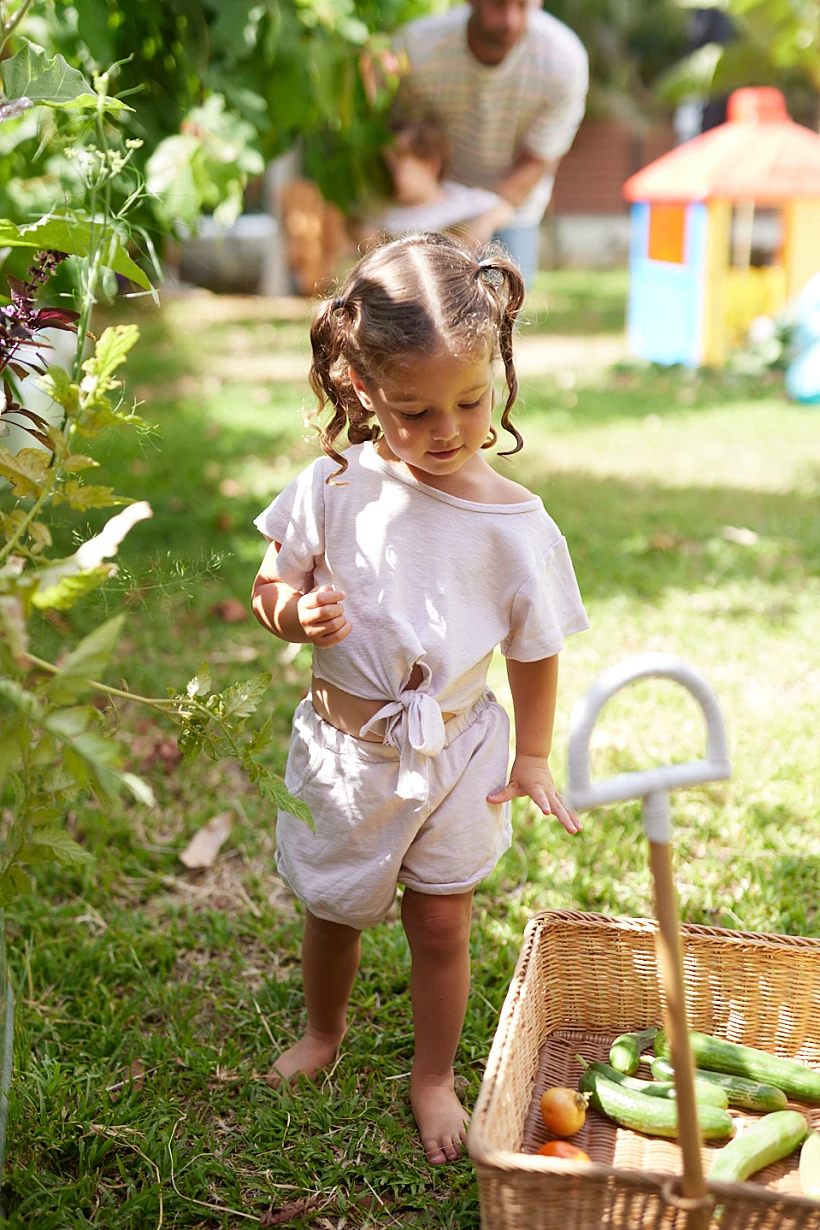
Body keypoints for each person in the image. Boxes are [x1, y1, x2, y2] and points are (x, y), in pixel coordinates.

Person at [250, 232, 589, 1165]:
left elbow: (536, 647)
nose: (446, 429)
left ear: (497, 376)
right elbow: (268, 584)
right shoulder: (334, 486)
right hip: (345, 752)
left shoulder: (516, 526)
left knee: (442, 918)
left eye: (470, 402)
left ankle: (432, 1076)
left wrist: (529, 755)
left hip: (456, 754)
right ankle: (324, 1032)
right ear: (360, 390)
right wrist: (293, 614)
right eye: (413, 411)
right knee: (334, 908)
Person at [396, 0, 589, 286]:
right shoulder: (418, 47)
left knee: (501, 313)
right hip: (440, 200)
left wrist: (483, 220)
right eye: (498, 4)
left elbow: (537, 160)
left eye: (523, 6)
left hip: (514, 204)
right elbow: (406, 133)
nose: (510, 20)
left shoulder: (564, 60)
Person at [373, 117, 515, 244]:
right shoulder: (380, 214)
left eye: (399, 163)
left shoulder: (459, 201)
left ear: (429, 164)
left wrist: (482, 224)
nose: (389, 170)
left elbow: (503, 208)